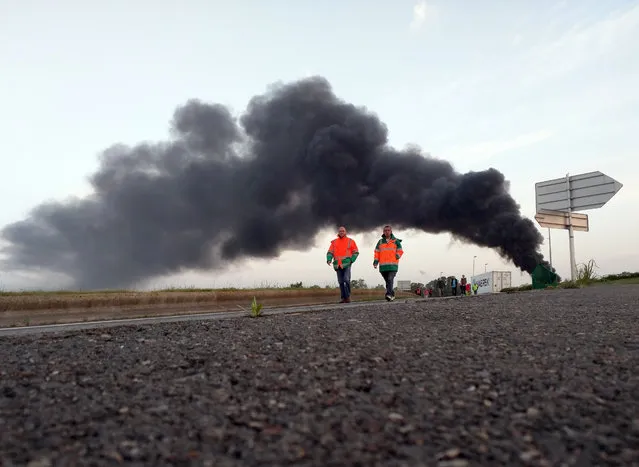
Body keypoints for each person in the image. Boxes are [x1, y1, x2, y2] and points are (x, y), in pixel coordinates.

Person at [326, 226, 359, 303]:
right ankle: (343, 298)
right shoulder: (334, 242)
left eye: (343, 231)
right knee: (341, 281)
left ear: (345, 232)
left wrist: (351, 260)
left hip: (347, 264)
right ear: (338, 232)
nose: (341, 232)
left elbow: (356, 252)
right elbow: (330, 252)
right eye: (340, 231)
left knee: (346, 279)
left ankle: (348, 296)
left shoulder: (350, 241)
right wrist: (328, 259)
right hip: (337, 265)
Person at [373, 225, 403, 301]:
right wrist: (375, 262)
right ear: (383, 232)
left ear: (391, 231)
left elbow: (400, 250)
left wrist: (397, 256)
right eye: (385, 231)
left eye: (388, 230)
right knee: (388, 281)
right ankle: (392, 295)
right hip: (383, 266)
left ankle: (388, 294)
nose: (387, 232)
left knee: (390, 279)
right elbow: (377, 252)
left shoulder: (396, 241)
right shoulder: (380, 242)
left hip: (393, 265)